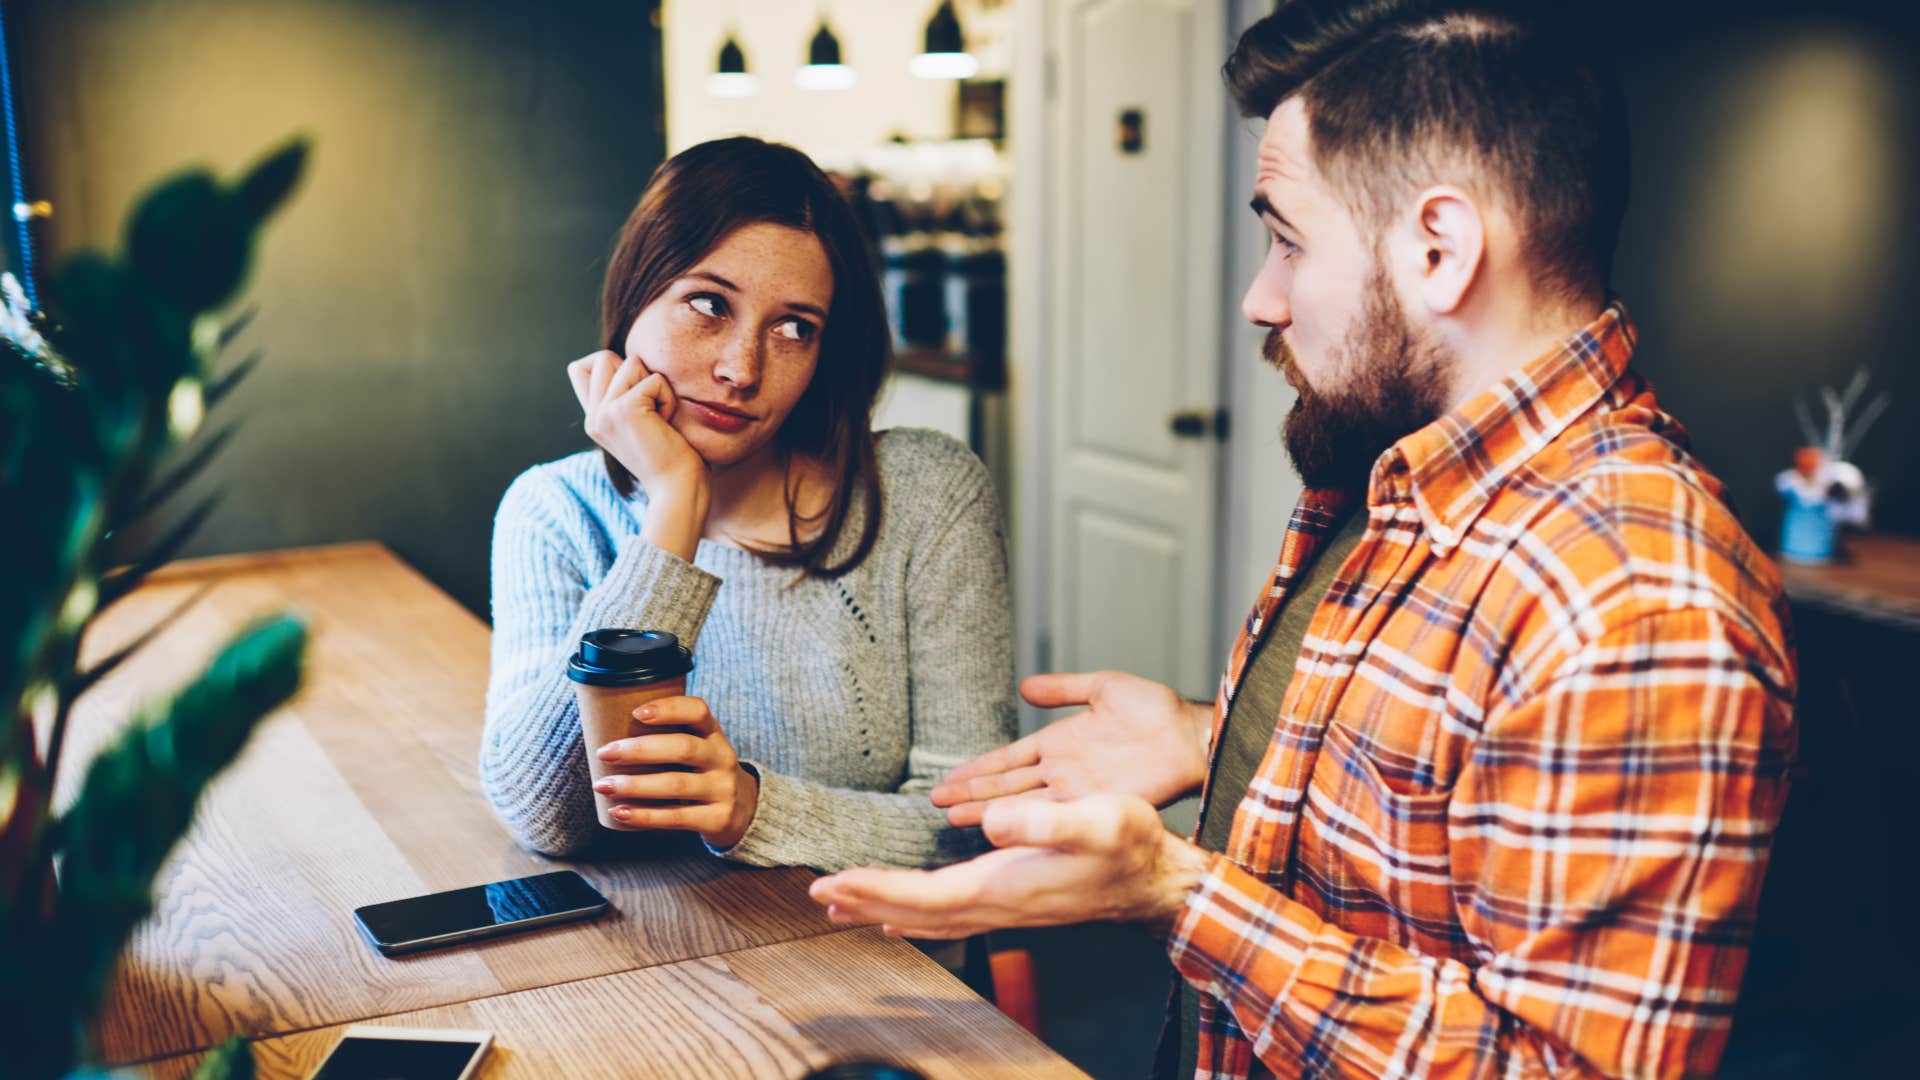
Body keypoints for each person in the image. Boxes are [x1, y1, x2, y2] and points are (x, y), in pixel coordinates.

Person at [810, 3, 1796, 1076]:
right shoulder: (1399, 469)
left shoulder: (1637, 603)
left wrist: (1176, 892)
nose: (1258, 297)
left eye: (1286, 238)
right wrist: (1218, 736)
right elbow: (1429, 797)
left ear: (1440, 248)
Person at [481, 136, 1016, 872]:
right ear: (636, 294)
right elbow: (543, 813)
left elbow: (972, 830)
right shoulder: (556, 509)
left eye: (795, 328)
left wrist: (749, 809)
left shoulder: (927, 494)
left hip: (874, 966)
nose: (740, 369)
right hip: (650, 966)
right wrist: (674, 511)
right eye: (708, 305)